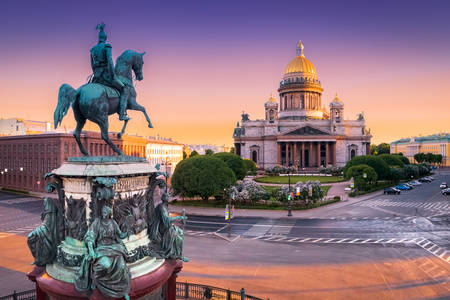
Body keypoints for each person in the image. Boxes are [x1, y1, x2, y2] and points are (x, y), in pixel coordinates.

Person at [75, 205, 131, 300]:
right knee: (104, 266)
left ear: (109, 214)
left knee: (121, 267)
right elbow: (90, 236)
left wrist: (128, 231)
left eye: (105, 213)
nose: (103, 214)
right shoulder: (97, 222)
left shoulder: (113, 223)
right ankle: (95, 281)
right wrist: (91, 250)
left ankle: (123, 290)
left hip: (114, 247)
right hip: (101, 248)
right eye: (103, 212)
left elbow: (120, 235)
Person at [90, 23, 130, 121]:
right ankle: (122, 114)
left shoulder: (93, 49)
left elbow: (91, 63)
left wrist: (96, 72)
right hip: (106, 75)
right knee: (125, 89)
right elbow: (110, 61)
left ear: (99, 38)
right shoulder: (107, 47)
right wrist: (112, 74)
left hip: (96, 76)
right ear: (105, 38)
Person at [150, 192, 188, 262]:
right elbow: (166, 220)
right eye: (168, 197)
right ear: (165, 199)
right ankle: (177, 255)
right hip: (161, 228)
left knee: (181, 232)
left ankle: (178, 254)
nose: (169, 198)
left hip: (165, 226)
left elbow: (168, 220)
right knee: (179, 239)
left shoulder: (165, 207)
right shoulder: (161, 207)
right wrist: (179, 217)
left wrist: (180, 219)